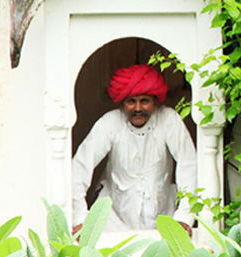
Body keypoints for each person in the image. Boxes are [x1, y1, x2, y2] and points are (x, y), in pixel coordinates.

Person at [71, 64, 196, 235]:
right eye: (131, 101)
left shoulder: (168, 120)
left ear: (155, 101)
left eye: (144, 101)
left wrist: (184, 217)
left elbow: (189, 165)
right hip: (113, 221)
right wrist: (80, 218)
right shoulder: (110, 122)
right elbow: (80, 167)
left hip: (164, 219)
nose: (138, 108)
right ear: (123, 102)